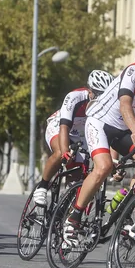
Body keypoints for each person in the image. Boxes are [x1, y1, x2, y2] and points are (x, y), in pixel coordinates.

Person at [63, 40, 135, 247]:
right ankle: (73, 219)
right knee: (104, 167)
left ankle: (126, 211)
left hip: (123, 130)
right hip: (100, 122)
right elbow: (125, 103)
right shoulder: (134, 72)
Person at [33, 70, 115, 205]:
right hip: (60, 126)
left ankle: (65, 205)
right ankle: (42, 186)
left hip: (81, 133)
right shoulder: (74, 97)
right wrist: (66, 152)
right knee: (60, 152)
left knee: (78, 173)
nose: (101, 100)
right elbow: (64, 127)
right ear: (90, 91)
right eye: (99, 95)